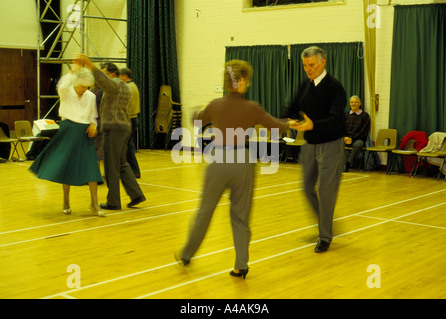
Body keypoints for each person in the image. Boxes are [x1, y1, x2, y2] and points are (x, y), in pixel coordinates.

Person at [175, 59, 300, 279]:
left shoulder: (215, 105)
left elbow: (196, 121)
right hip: (243, 161)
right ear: (241, 81)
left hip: (219, 159)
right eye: (247, 80)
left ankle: (187, 253)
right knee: (240, 216)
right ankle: (240, 265)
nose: (247, 84)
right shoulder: (251, 108)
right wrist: (290, 123)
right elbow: (274, 124)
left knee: (205, 211)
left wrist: (200, 110)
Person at [285, 46, 347, 253]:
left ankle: (325, 236)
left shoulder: (334, 87)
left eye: (311, 65)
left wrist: (314, 125)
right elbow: (293, 106)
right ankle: (326, 223)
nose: (308, 69)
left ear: (323, 62)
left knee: (326, 191)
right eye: (305, 66)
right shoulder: (306, 85)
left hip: (331, 144)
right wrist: (288, 119)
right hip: (309, 144)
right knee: (306, 188)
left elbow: (337, 120)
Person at [29, 63, 105, 217]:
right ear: (76, 82)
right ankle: (66, 201)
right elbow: (63, 84)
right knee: (66, 166)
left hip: (84, 133)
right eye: (82, 85)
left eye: (87, 86)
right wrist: (72, 71)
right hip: (68, 129)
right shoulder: (66, 91)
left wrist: (93, 125)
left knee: (92, 167)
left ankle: (95, 203)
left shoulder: (90, 96)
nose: (84, 89)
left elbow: (93, 115)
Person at [75, 54, 146, 210]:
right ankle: (136, 195)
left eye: (105, 73)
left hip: (114, 128)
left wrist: (90, 65)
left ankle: (113, 201)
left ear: (112, 74)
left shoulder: (116, 84)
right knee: (121, 164)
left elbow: (104, 81)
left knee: (111, 167)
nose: (102, 77)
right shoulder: (123, 86)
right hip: (122, 127)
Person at [119, 68, 141, 178]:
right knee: (128, 145)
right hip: (133, 118)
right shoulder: (133, 86)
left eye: (120, 76)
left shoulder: (128, 87)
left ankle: (133, 170)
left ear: (124, 76)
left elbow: (126, 105)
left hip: (128, 118)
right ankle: (133, 171)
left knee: (127, 146)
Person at [343, 95, 370, 172]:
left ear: (359, 103)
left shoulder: (365, 116)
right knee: (337, 143)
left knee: (359, 144)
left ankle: (348, 163)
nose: (353, 104)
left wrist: (352, 138)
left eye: (355, 102)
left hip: (357, 139)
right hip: (346, 138)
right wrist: (345, 137)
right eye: (352, 102)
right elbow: (341, 128)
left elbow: (364, 131)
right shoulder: (346, 115)